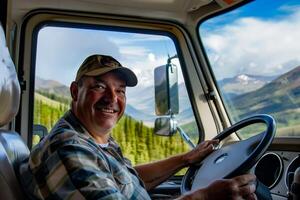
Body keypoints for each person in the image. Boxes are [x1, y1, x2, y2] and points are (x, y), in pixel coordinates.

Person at [19, 54, 257, 200]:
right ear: (74, 91)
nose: (112, 98)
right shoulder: (69, 151)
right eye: (100, 87)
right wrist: (204, 196)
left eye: (120, 90)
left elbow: (126, 179)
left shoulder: (91, 138)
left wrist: (186, 158)